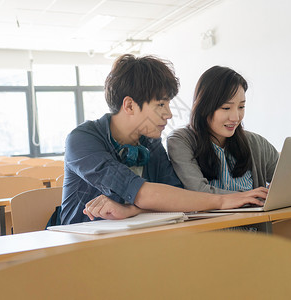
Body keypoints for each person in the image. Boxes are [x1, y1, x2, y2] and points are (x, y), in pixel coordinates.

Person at [54, 56, 267, 225]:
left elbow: (176, 198)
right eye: (160, 105)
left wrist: (130, 210)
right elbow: (140, 192)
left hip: (138, 242)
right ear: (129, 106)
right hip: (80, 246)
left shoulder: (150, 142)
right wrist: (223, 200)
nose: (169, 114)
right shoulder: (82, 139)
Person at [167, 66, 279, 195]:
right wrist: (246, 196)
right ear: (203, 107)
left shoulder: (255, 142)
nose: (236, 117)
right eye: (226, 108)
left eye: (241, 107)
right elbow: (198, 192)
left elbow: (288, 178)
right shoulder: (181, 141)